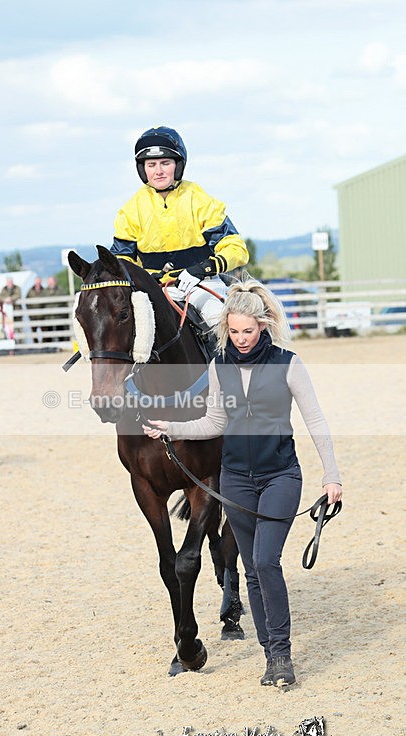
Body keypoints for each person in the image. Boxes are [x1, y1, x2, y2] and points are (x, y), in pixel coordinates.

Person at [143, 276, 342, 687]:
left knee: (267, 561)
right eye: (233, 332)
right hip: (235, 480)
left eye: (247, 331)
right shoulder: (219, 367)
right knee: (251, 570)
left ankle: (282, 654)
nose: (241, 339)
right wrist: (170, 428)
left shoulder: (288, 364)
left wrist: (331, 475)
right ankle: (271, 656)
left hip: (280, 477)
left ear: (262, 326)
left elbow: (316, 419)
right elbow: (214, 422)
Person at [110, 125, 249, 328]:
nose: (158, 171)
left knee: (220, 323)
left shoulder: (200, 200)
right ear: (143, 169)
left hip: (201, 285)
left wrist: (203, 269)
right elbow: (120, 260)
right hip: (154, 290)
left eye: (165, 163)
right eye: (151, 165)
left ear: (178, 165)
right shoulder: (130, 210)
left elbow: (236, 248)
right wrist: (142, 277)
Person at [26, 276, 47, 343]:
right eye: (37, 282)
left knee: (44, 331)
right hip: (33, 316)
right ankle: (35, 344)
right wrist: (30, 312)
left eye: (39, 282)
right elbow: (27, 302)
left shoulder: (44, 290)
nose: (38, 283)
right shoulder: (30, 291)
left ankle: (44, 344)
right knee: (34, 331)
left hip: (42, 315)